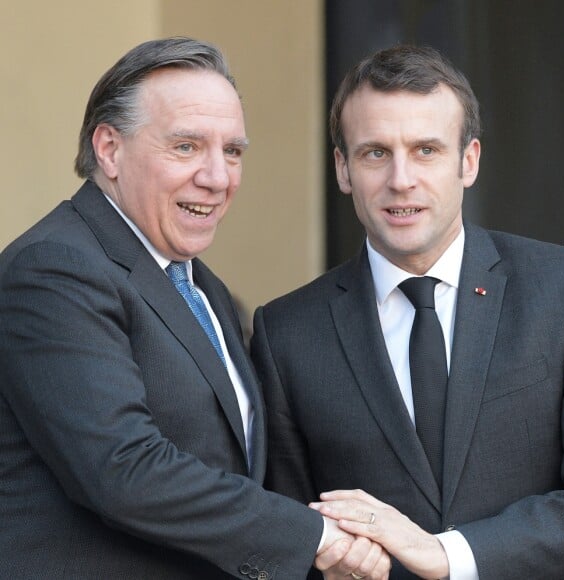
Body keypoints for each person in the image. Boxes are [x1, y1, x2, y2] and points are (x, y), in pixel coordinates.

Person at [0, 37, 391, 580]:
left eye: (232, 151)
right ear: (109, 149)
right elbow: (124, 468)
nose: (217, 177)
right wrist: (318, 537)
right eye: (186, 146)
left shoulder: (200, 287)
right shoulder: (55, 268)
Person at [251, 44, 564, 579]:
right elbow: (288, 531)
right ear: (343, 168)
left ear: (468, 161)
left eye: (426, 150)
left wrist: (446, 555)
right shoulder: (285, 333)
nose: (401, 179)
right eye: (375, 152)